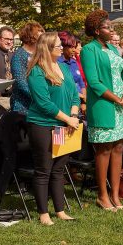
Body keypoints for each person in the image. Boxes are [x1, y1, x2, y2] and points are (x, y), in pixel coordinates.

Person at [26, 32, 81, 225]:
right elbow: (44, 104)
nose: (61, 48)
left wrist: (73, 116)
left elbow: (75, 95)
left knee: (58, 169)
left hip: (64, 126)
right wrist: (67, 119)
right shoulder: (37, 71)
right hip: (43, 126)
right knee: (44, 170)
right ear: (47, 49)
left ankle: (59, 210)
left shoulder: (63, 68)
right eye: (58, 46)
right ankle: (43, 214)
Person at [80, 10, 123, 212]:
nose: (111, 30)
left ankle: (115, 194)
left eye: (111, 26)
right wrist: (117, 99)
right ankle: (102, 196)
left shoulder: (112, 48)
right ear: (95, 30)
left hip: (121, 107)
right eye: (107, 27)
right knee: (104, 150)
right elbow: (93, 82)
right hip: (104, 106)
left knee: (119, 147)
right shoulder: (88, 50)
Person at [11, 22, 45, 116]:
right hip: (23, 106)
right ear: (31, 36)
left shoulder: (39, 54)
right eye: (39, 32)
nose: (42, 35)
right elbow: (20, 82)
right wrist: (39, 97)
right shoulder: (19, 55)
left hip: (38, 104)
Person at [57, 31, 86, 104]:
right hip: (66, 102)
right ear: (62, 46)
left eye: (74, 47)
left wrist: (84, 101)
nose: (73, 50)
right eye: (70, 47)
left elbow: (81, 83)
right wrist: (81, 96)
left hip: (80, 101)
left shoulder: (73, 62)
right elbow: (64, 86)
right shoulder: (57, 63)